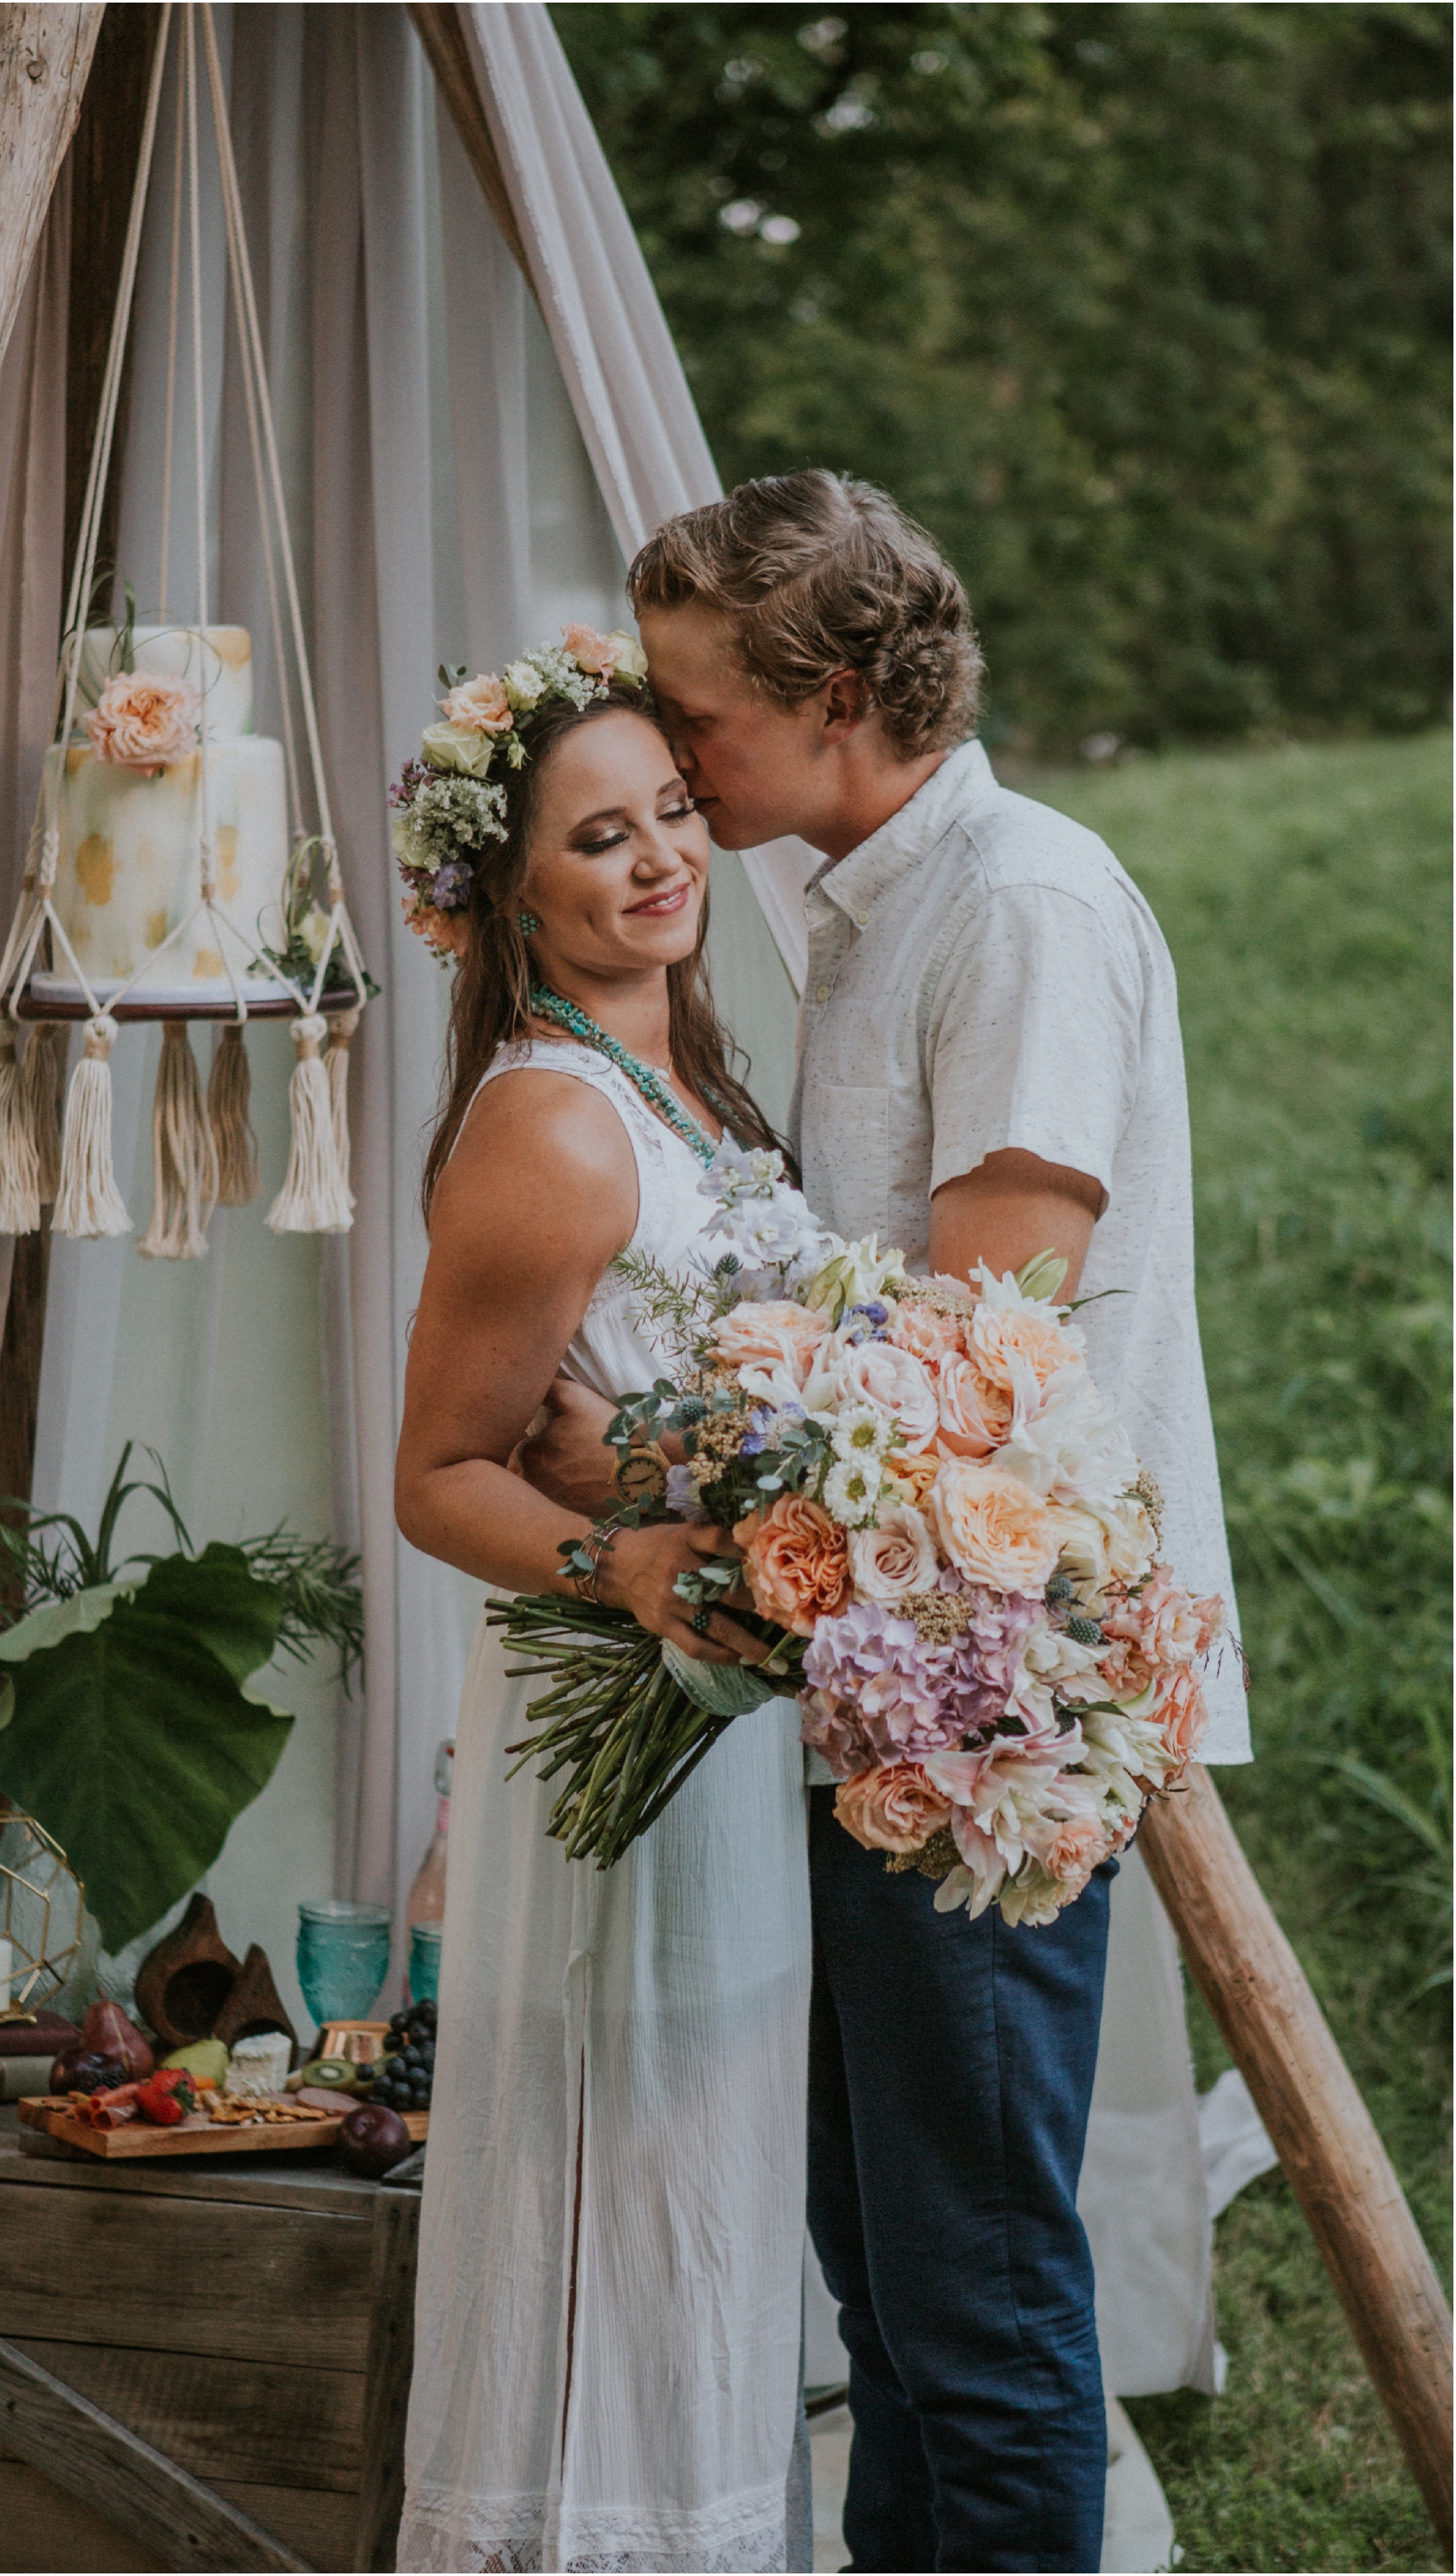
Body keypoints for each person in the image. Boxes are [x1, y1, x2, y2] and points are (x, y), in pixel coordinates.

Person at [524, 471, 1248, 2574]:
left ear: (837, 696)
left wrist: (640, 1463)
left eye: (696, 717)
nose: (671, 761)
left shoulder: (1017, 907)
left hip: (991, 1698)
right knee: (886, 2262)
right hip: (877, 1680)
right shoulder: (864, 904)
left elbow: (969, 1359)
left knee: (975, 2280)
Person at [392, 631, 812, 2575]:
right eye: (595, 836)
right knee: (625, 2172)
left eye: (668, 814)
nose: (655, 858)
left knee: (703, 2175)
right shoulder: (552, 1122)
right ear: (511, 890)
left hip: (723, 1733)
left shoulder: (689, 1085)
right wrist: (626, 1555)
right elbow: (440, 1472)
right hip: (615, 1748)